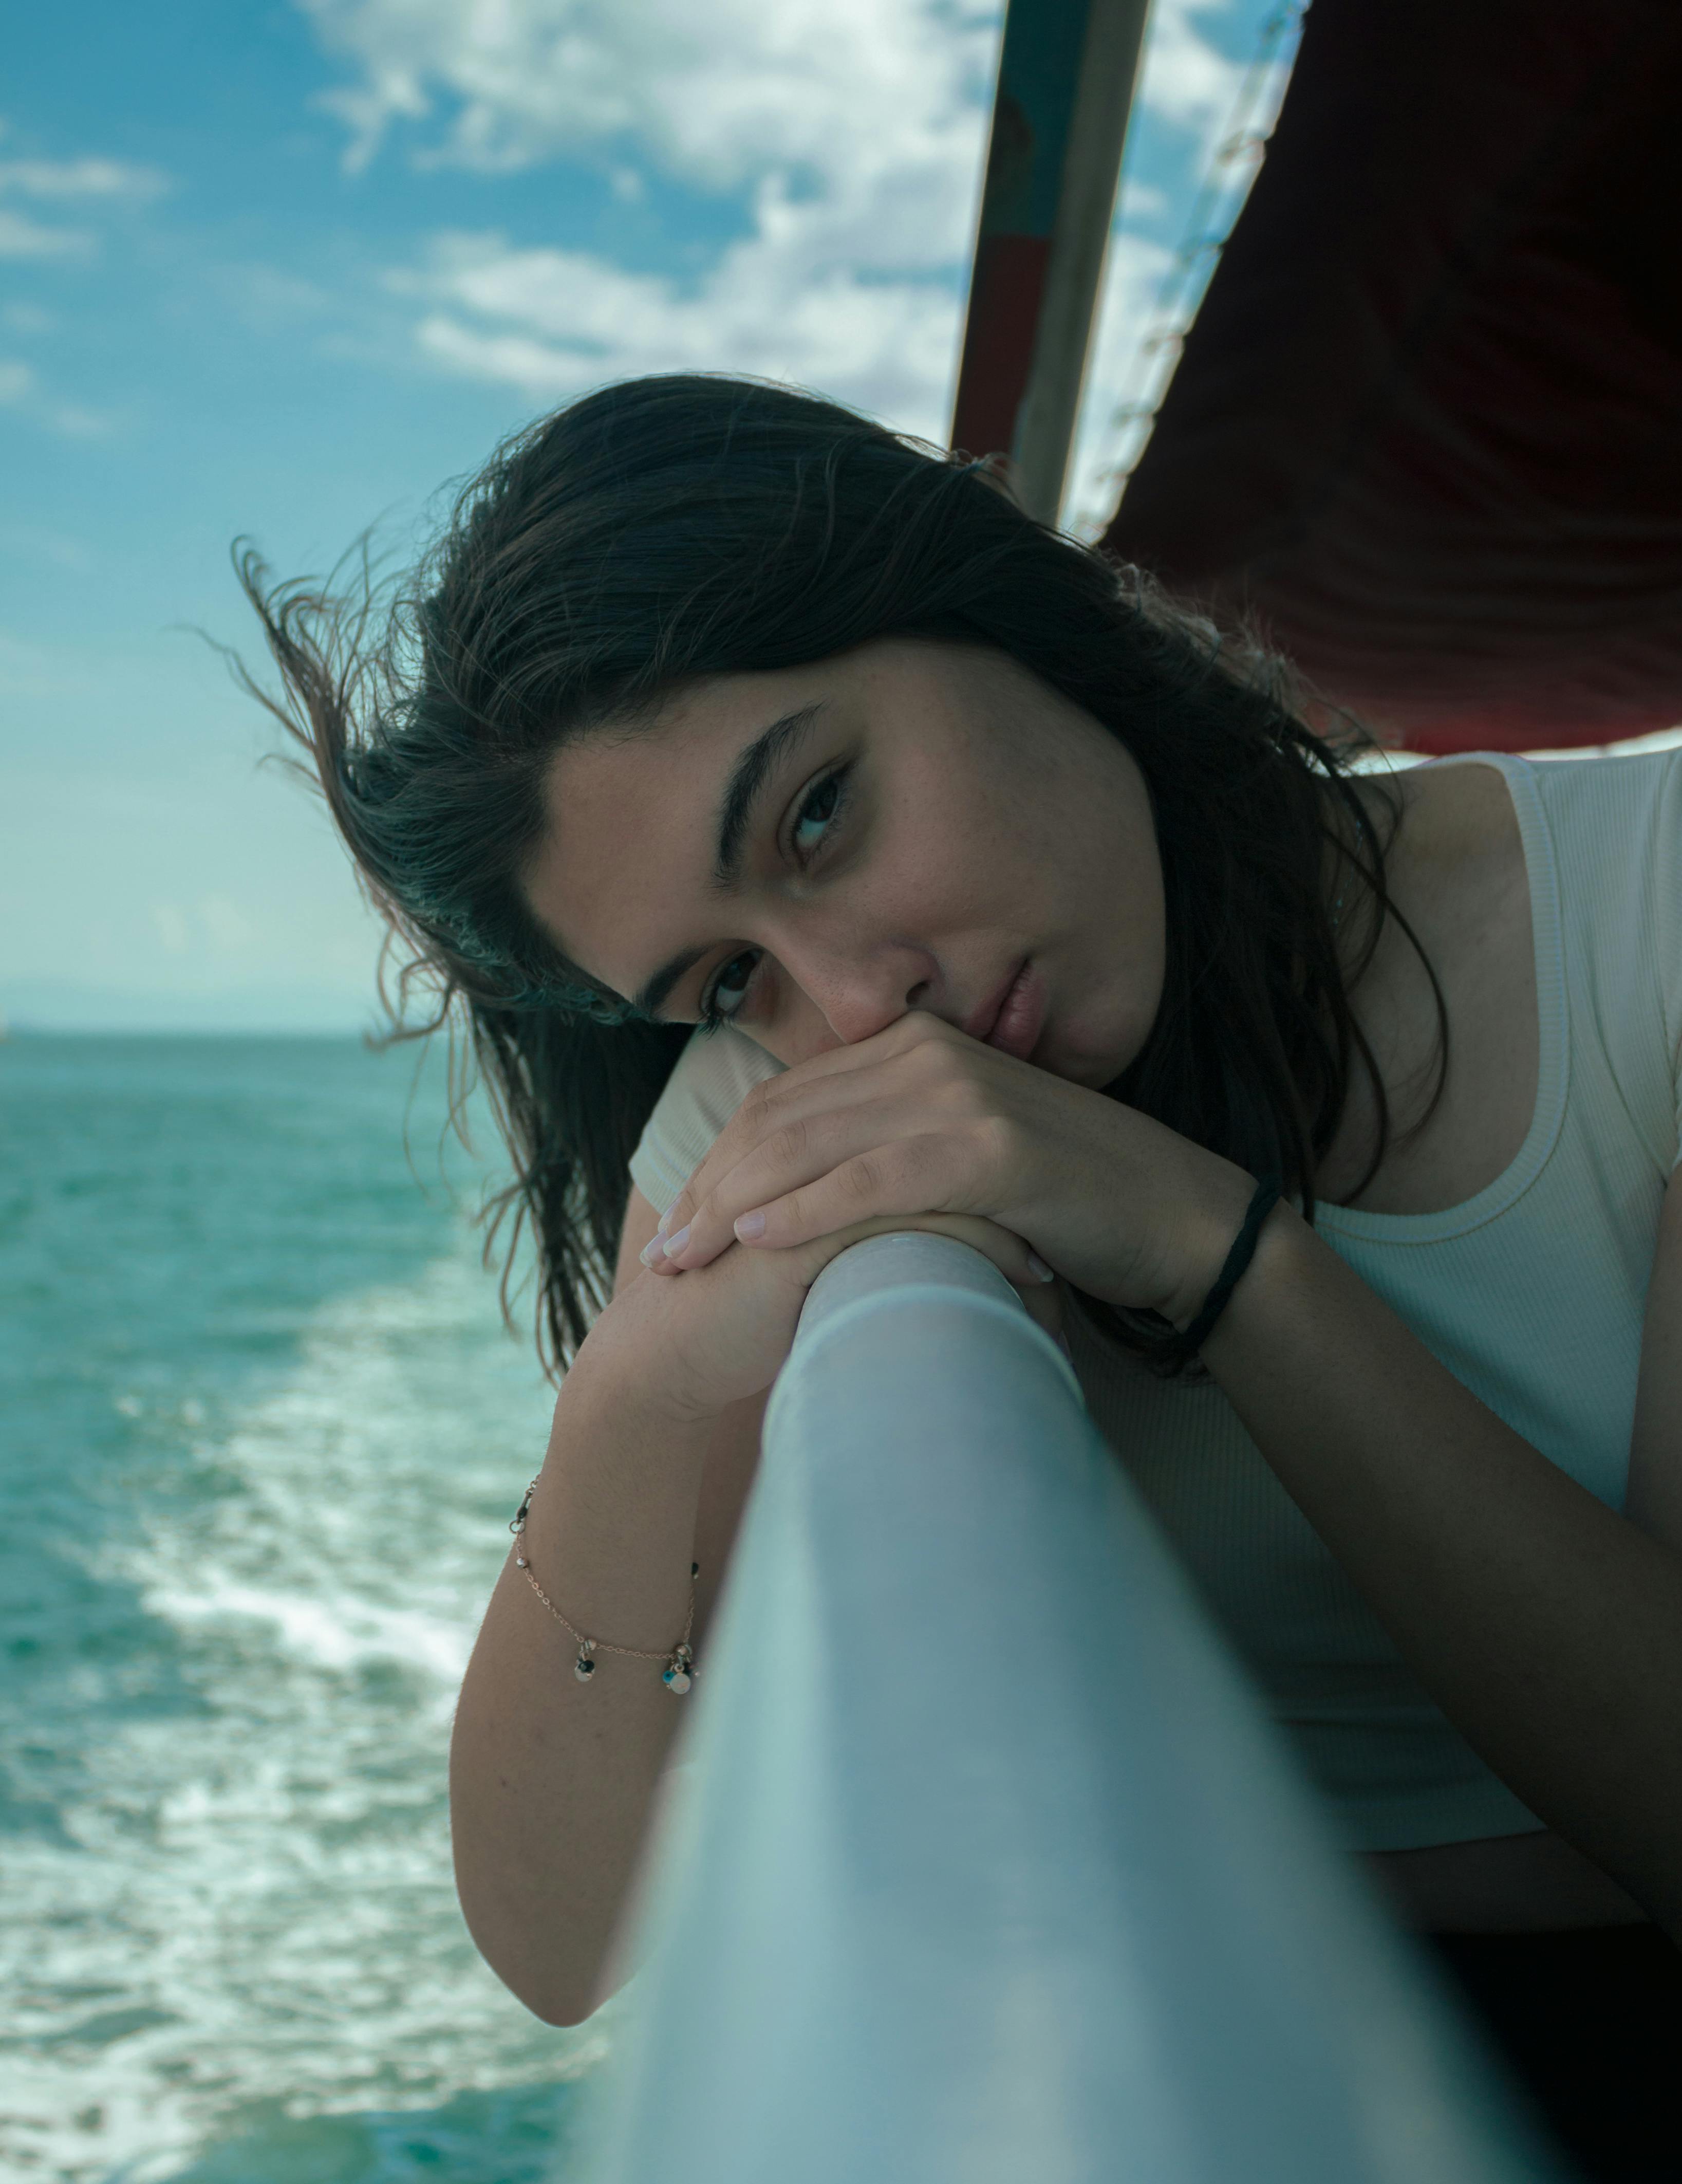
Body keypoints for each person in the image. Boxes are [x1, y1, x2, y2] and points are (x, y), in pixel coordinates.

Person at [239, 373, 1682, 2178]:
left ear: (986, 600)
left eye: (820, 815)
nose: (850, 1003)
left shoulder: (1647, 914)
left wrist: (1219, 1254)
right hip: (1127, 2059)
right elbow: (559, 1940)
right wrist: (629, 1389)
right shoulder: (783, 1112)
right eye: (725, 979)